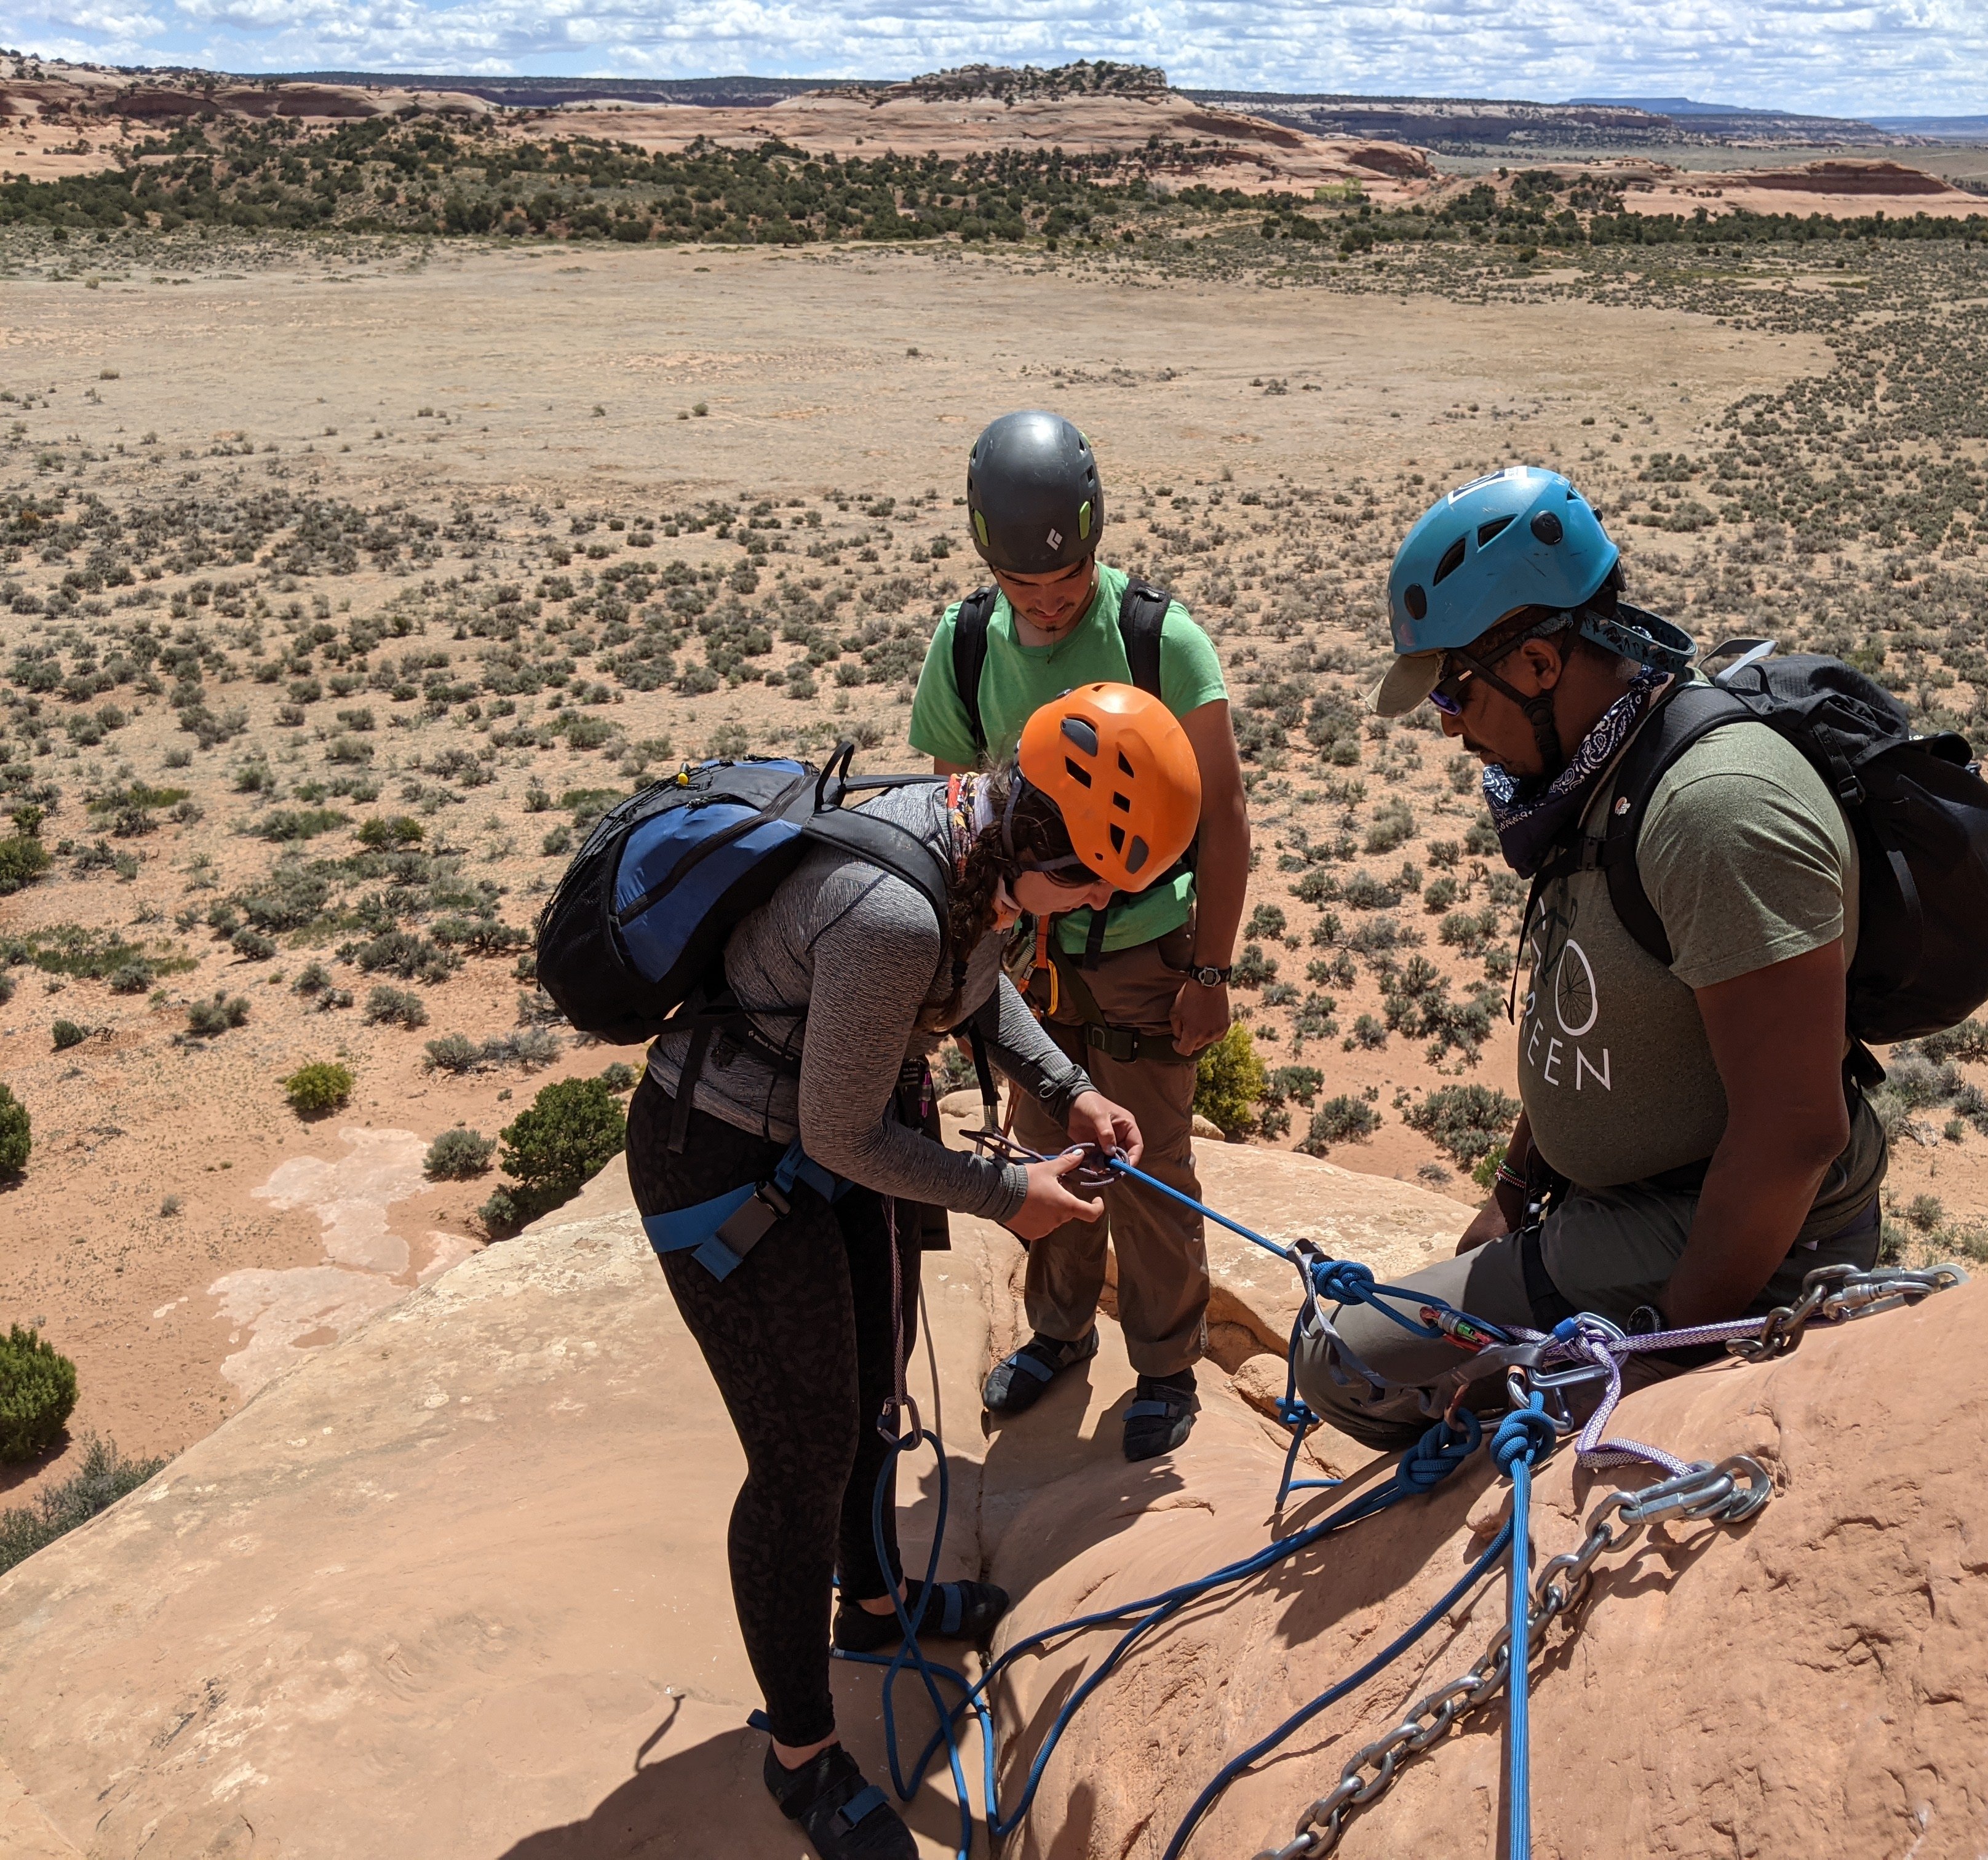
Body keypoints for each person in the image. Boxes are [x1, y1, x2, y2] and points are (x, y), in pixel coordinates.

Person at [624, 686, 1199, 1860]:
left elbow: (980, 990)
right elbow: (845, 1133)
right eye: (1090, 881)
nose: (1097, 906)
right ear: (1035, 839)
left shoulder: (973, 842)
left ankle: (876, 1611)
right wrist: (1012, 1198)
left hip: (806, 1151)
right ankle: (801, 1757)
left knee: (867, 1406)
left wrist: (1074, 1089)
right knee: (799, 1460)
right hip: (728, 1168)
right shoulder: (892, 911)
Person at [1291, 466, 1888, 1447]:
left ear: (1535, 664)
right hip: (1620, 1203)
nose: (1446, 723)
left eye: (1452, 687)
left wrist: (1659, 1368)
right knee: (1409, 1337)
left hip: (1723, 1228)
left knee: (1342, 1360)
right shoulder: (1602, 760)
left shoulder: (1714, 811)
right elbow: (1602, 1006)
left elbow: (1793, 1135)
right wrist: (1519, 1188)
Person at [907, 410, 1251, 1463]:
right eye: (1025, 592)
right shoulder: (966, 647)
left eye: (1066, 586)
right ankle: (1058, 1333)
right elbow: (958, 814)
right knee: (1049, 1148)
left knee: (1149, 1163)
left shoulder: (1158, 638)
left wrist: (1210, 967)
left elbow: (1225, 817)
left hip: (1148, 951)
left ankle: (1164, 1365)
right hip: (1030, 962)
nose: (1049, 608)